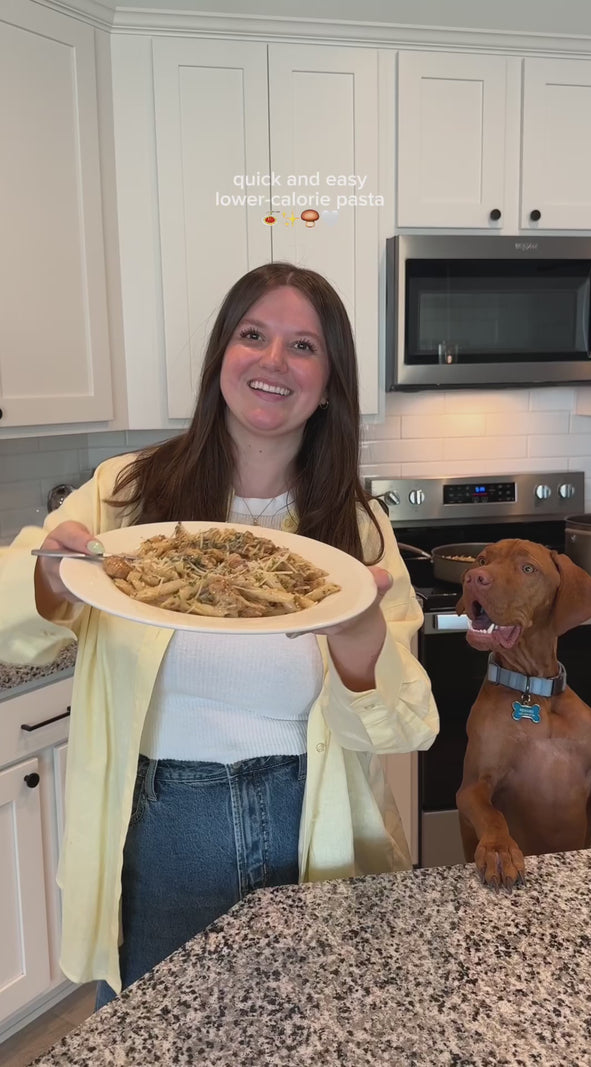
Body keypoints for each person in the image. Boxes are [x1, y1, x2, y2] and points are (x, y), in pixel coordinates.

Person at [0, 262, 438, 1007]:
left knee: (305, 1035)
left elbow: (404, 725)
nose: (273, 361)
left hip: (310, 822)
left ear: (330, 381)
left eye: (303, 346)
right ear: (220, 358)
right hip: (162, 825)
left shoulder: (356, 530)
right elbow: (18, 620)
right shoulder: (126, 492)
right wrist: (51, 576)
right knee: (160, 1034)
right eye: (253, 335)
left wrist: (358, 637)